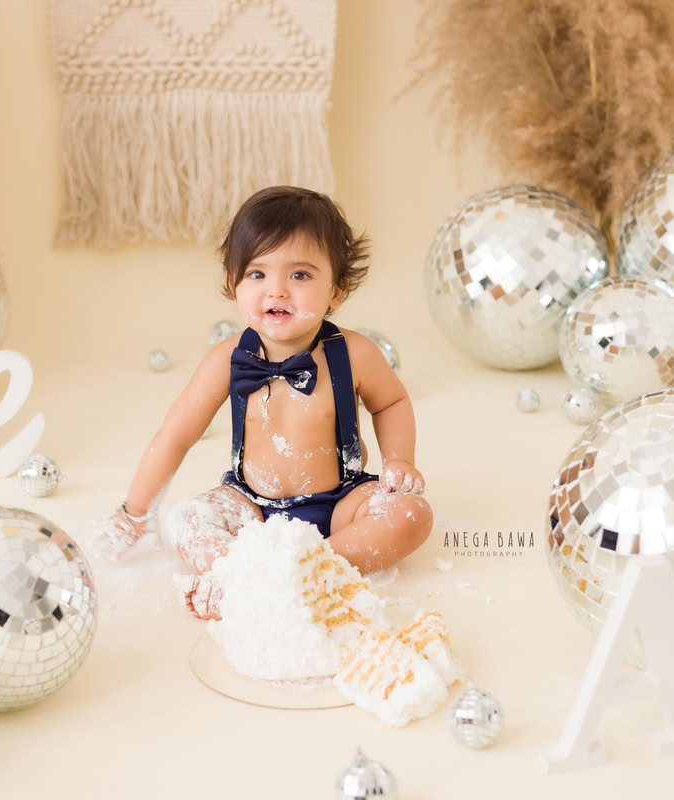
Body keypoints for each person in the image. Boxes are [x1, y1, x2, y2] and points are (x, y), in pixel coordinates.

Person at [94, 186, 433, 619]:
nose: (277, 291)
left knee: (411, 515)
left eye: (300, 275)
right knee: (188, 520)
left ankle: (309, 569)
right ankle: (257, 574)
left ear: (337, 290)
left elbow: (391, 403)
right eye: (257, 274)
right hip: (251, 507)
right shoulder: (227, 360)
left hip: (342, 505)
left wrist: (400, 459)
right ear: (232, 284)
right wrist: (134, 512)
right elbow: (176, 435)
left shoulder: (354, 353)